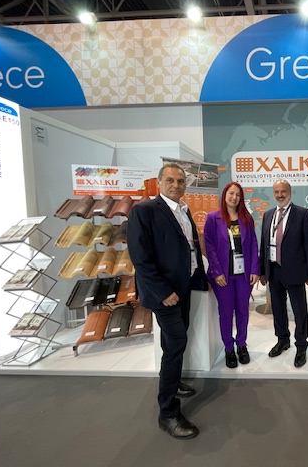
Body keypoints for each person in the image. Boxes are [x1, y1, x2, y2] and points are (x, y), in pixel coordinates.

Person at [127, 163, 207, 439]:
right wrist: (162, 291)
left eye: (181, 181)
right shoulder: (145, 211)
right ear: (159, 182)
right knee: (176, 343)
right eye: (170, 180)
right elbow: (140, 258)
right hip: (166, 294)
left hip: (183, 288)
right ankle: (168, 413)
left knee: (174, 341)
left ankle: (173, 382)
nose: (176, 185)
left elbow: (190, 247)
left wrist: (198, 278)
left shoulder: (183, 210)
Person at [259, 180, 308, 368]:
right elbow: (264, 244)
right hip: (273, 270)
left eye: (283, 191)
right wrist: (262, 271)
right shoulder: (268, 215)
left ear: (290, 192)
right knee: (278, 308)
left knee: (299, 310)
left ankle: (301, 346)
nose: (280, 195)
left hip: (294, 271)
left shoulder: (303, 214)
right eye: (276, 191)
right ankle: (282, 340)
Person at [203, 182, 260, 368]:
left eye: (237, 194)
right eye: (231, 193)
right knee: (226, 312)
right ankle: (229, 348)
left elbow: (253, 245)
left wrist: (255, 269)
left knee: (243, 310)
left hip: (244, 275)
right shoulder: (213, 218)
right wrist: (216, 271)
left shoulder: (246, 218)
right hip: (223, 276)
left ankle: (241, 344)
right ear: (225, 195)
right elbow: (209, 247)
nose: (234, 197)